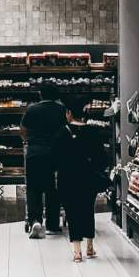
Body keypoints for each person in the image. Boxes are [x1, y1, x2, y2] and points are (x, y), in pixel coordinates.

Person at [60, 114, 109, 262]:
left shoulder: (62, 133)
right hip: (89, 177)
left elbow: (55, 157)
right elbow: (102, 158)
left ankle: (76, 252)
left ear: (68, 113)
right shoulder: (93, 132)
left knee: (73, 213)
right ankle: (89, 247)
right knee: (88, 210)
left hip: (68, 178)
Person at [20, 84, 67, 238]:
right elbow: (66, 129)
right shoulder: (61, 109)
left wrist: (28, 141)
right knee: (52, 189)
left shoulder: (31, 109)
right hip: (55, 153)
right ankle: (52, 225)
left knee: (33, 188)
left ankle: (35, 220)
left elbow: (23, 129)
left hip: (34, 153)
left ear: (40, 94)